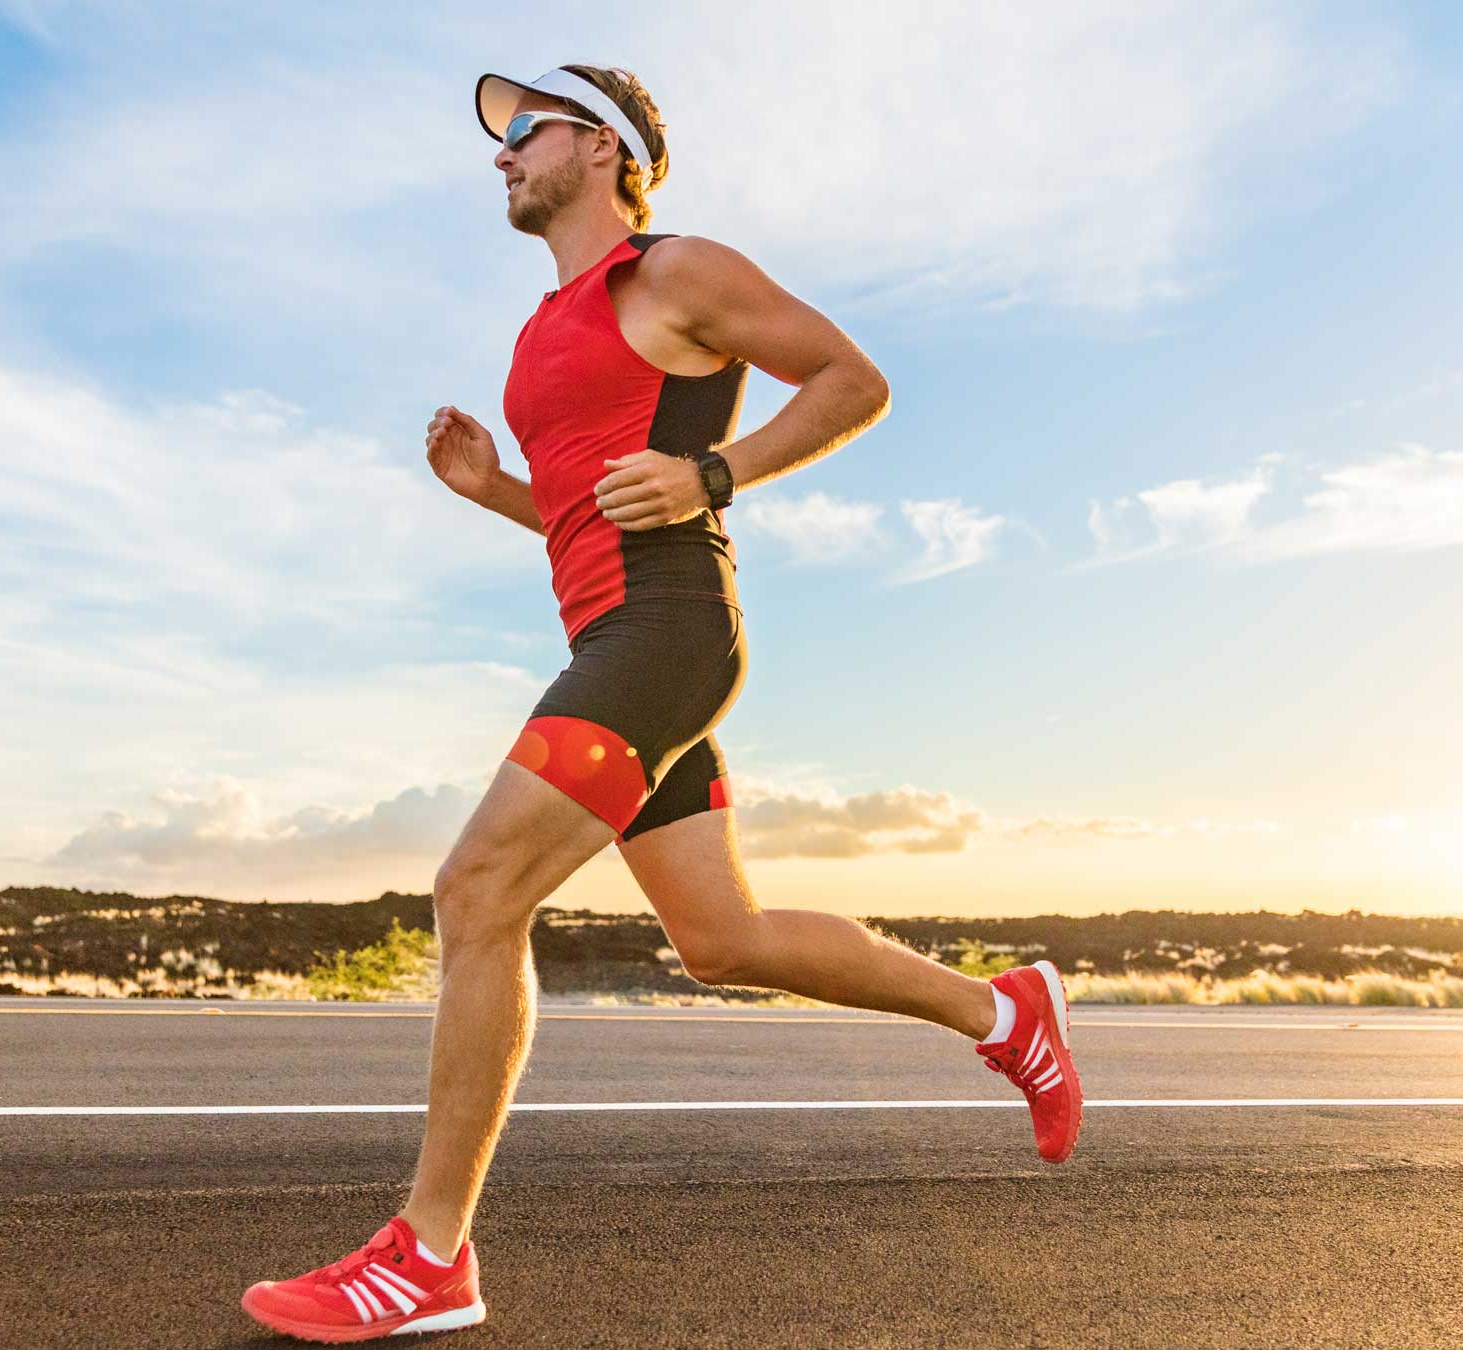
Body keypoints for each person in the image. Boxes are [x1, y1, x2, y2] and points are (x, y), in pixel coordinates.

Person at [241, 63, 1082, 1343]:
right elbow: (589, 512)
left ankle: (429, 1256)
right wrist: (493, 492)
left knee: (478, 890)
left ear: (602, 147)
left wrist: (716, 473)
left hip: (667, 634)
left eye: (526, 130)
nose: (502, 154)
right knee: (723, 942)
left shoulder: (675, 271)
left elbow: (852, 380)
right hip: (617, 638)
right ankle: (1002, 1010)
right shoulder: (543, 331)